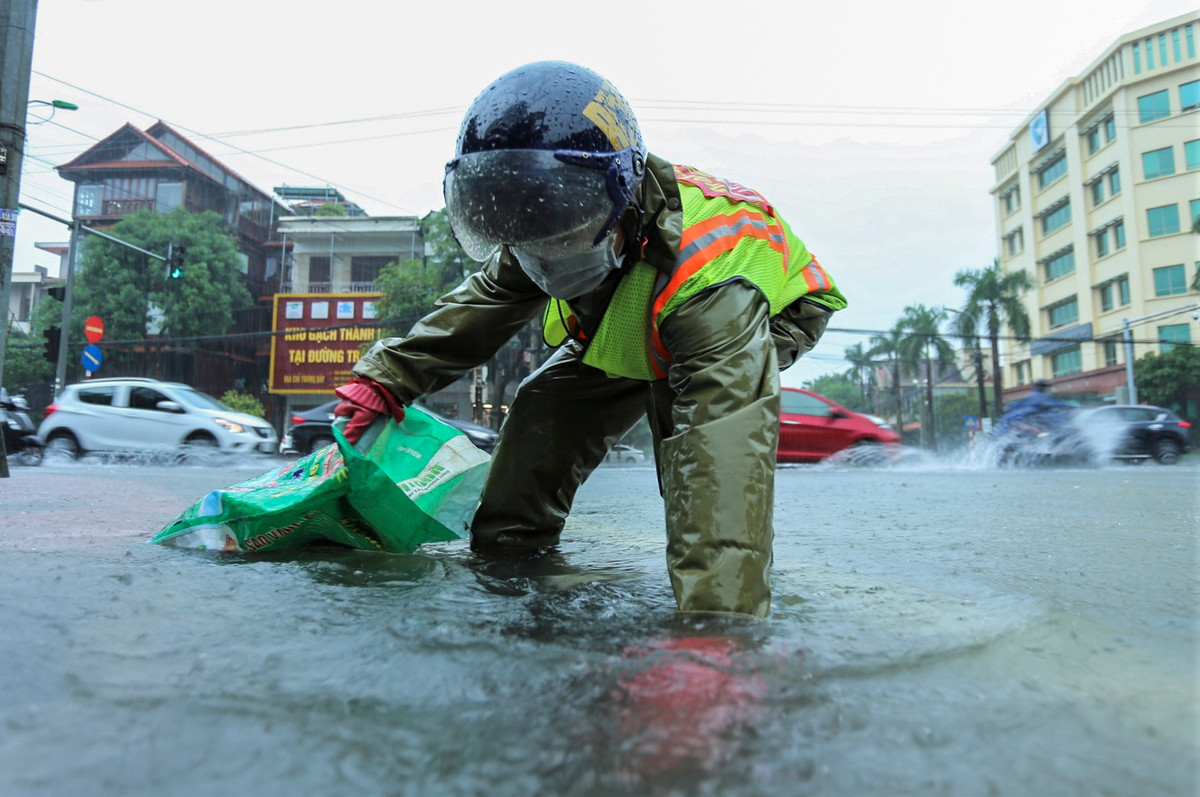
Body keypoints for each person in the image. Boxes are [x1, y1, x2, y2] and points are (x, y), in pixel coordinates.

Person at [334, 61, 847, 617]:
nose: (542, 255)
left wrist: (716, 634)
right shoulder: (544, 226)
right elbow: (485, 302)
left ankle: (716, 608)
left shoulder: (709, 277)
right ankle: (510, 558)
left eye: (560, 228)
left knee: (689, 434)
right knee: (544, 406)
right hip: (628, 308)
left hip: (762, 310)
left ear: (620, 195)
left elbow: (724, 446)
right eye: (525, 234)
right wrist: (386, 380)